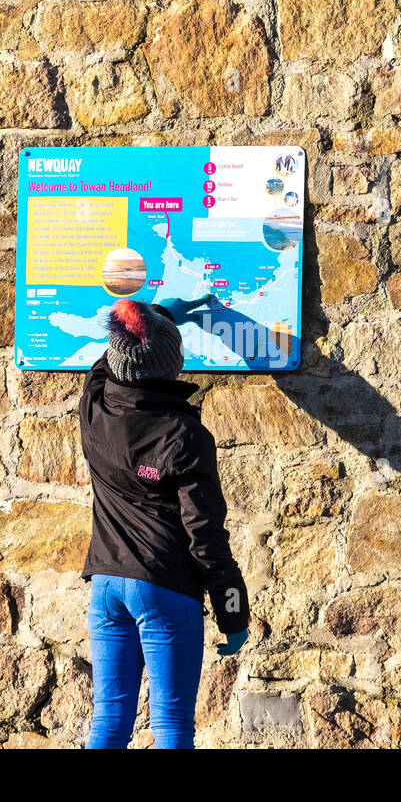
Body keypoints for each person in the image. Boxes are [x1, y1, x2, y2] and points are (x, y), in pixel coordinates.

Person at [79, 296, 250, 749]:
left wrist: (156, 315)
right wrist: (233, 612)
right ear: (174, 364)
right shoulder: (185, 435)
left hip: (106, 583)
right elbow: (206, 536)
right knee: (172, 726)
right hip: (164, 587)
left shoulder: (94, 407)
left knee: (109, 722)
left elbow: (112, 356)